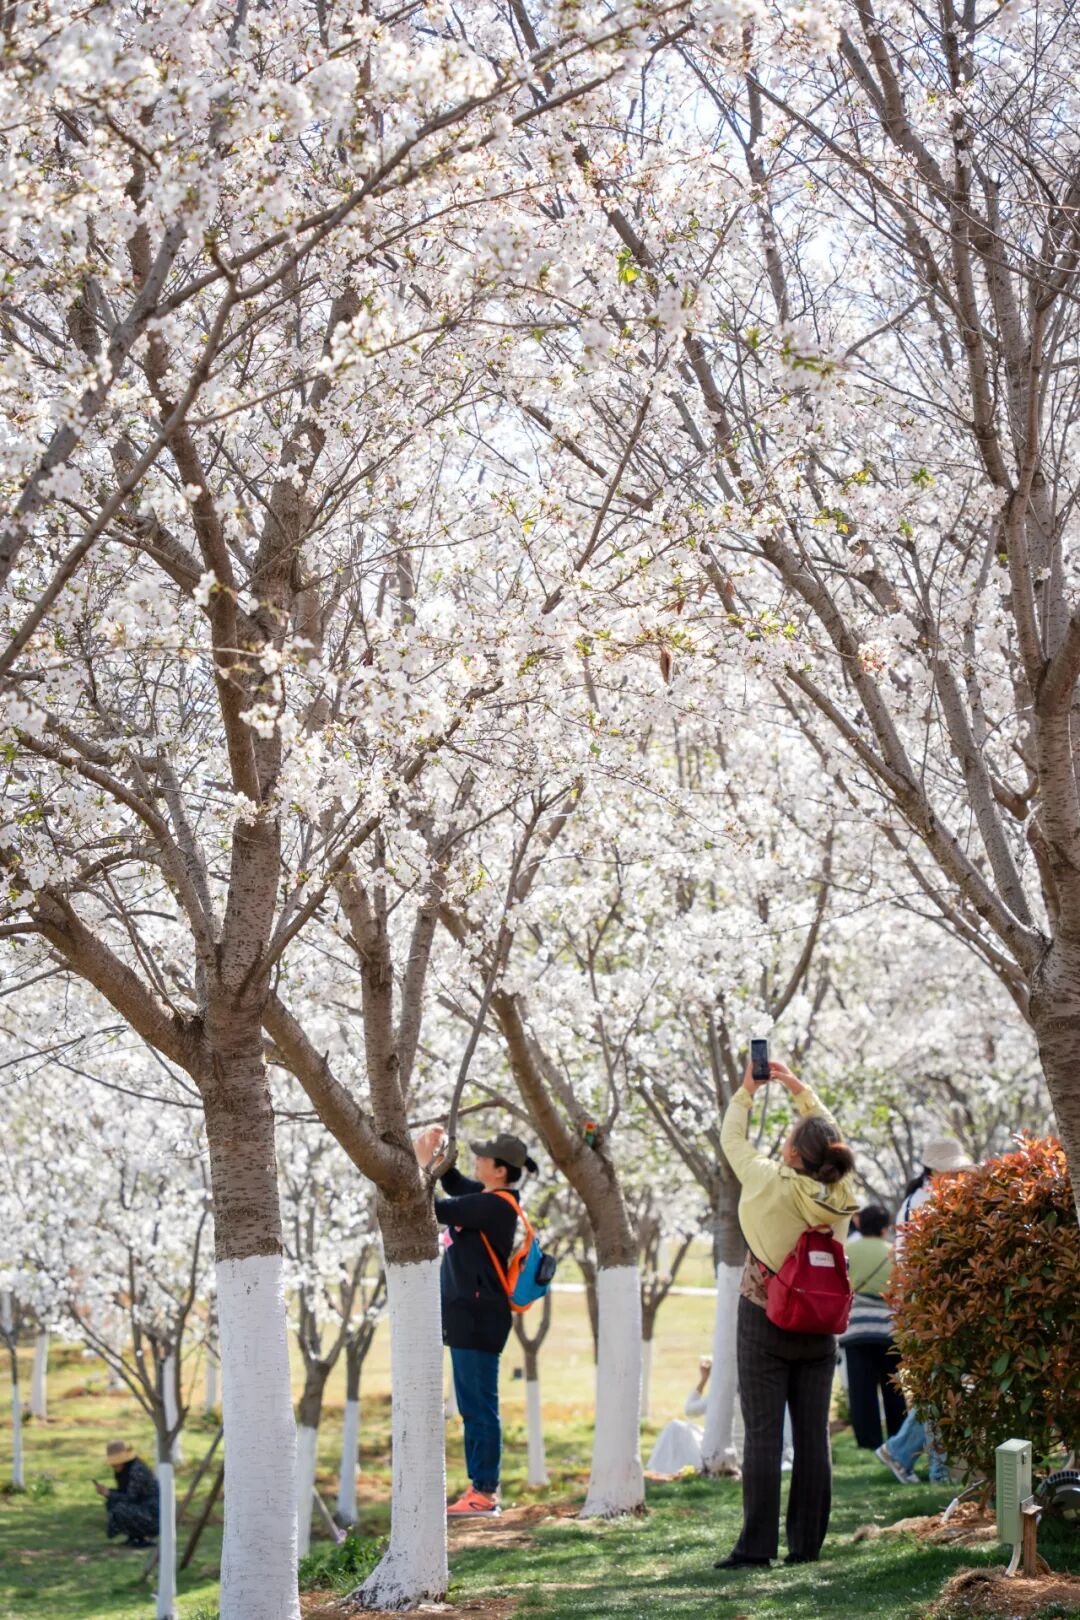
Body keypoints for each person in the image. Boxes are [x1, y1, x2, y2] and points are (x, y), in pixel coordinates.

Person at [715, 1056, 858, 1571]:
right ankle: (806, 1547)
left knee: (763, 1436)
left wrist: (747, 1091)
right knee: (813, 1438)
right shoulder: (841, 1194)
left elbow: (732, 1137)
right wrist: (803, 1093)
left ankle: (756, 1549)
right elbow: (832, 1140)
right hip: (820, 1323)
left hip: (765, 1315)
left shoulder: (765, 1178)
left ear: (793, 1151)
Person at [415, 1125, 539, 1518]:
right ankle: (480, 1488)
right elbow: (453, 1184)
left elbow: (436, 1207)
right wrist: (438, 1155)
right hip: (473, 1316)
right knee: (474, 1405)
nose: (478, 1159)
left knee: (478, 1407)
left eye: (484, 1157)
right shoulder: (488, 1198)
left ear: (500, 1170)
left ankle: (484, 1492)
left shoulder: (495, 1206)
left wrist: (421, 1165)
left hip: (478, 1319)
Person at [875, 1139, 971, 1486]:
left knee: (943, 1383)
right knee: (942, 1384)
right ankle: (932, 1466)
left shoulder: (917, 1200)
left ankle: (904, 1453)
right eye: (954, 1171)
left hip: (924, 1304)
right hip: (929, 1304)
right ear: (935, 1171)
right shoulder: (926, 1202)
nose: (959, 1177)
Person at [840, 1205, 906, 1450]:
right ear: (884, 1227)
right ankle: (897, 1437)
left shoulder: (848, 1250)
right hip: (888, 1329)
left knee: (861, 1390)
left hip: (857, 1328)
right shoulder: (893, 1252)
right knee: (893, 1388)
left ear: (859, 1224)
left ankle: (869, 1441)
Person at [647, 1356, 712, 1474]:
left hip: (713, 1448)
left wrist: (703, 1380)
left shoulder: (719, 1396)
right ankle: (659, 1470)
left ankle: (656, 1470)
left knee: (674, 1427)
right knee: (678, 1428)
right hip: (713, 1441)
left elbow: (689, 1410)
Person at [94, 1440, 159, 1547]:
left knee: (120, 1508)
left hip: (152, 1515)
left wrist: (109, 1493)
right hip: (142, 1508)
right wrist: (107, 1492)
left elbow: (130, 1498)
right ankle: (134, 1537)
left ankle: (142, 1537)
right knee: (112, 1503)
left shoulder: (137, 1470)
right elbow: (124, 1493)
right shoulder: (125, 1470)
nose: (113, 1466)